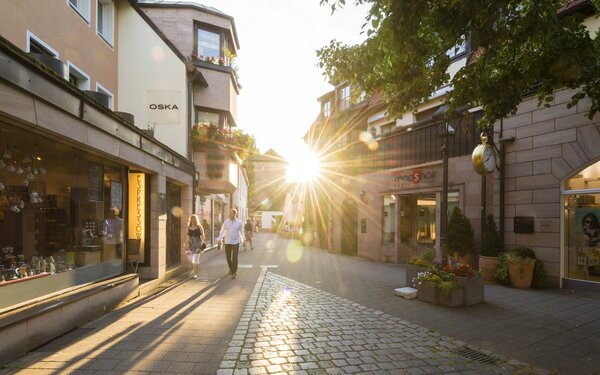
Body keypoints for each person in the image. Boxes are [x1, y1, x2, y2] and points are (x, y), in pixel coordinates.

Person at [217, 209, 244, 279]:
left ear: (235, 214)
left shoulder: (239, 223)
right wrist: (219, 239)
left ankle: (234, 272)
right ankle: (231, 268)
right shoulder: (226, 222)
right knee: (228, 258)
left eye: (231, 213)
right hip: (227, 242)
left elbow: (241, 232)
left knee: (234, 257)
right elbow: (222, 230)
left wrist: (242, 240)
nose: (229, 215)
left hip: (235, 242)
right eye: (229, 213)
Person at [186, 214, 205, 279]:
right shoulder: (189, 227)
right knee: (191, 259)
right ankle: (192, 270)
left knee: (196, 259)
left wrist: (202, 242)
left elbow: (203, 235)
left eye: (194, 219)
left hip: (198, 244)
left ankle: (194, 273)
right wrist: (187, 243)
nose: (193, 220)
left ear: (196, 220)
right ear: (190, 220)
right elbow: (188, 236)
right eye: (192, 219)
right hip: (191, 244)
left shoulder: (199, 226)